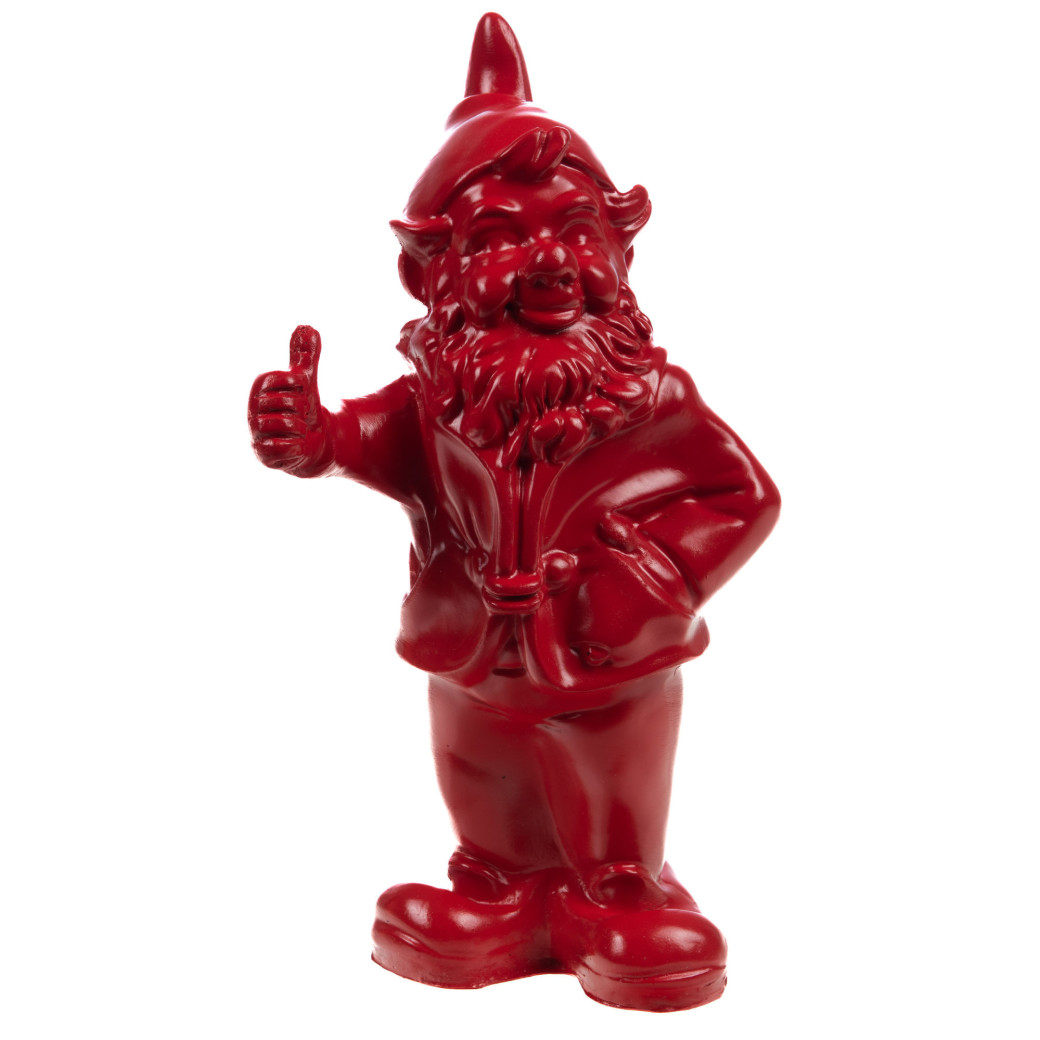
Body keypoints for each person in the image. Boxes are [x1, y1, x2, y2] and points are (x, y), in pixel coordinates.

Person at [248, 13, 779, 1012]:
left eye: (575, 233)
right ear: (430, 272)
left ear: (618, 250)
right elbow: (360, 441)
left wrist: (648, 580)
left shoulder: (653, 399)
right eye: (502, 240)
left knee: (609, 783)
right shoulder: (434, 400)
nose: (549, 265)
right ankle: (495, 887)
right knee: (483, 777)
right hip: (472, 660)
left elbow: (742, 495)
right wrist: (309, 434)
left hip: (607, 667)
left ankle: (618, 894)